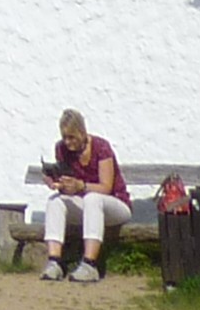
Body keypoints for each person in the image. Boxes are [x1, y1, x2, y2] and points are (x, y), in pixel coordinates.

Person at [40, 108, 132, 280]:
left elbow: (106, 187)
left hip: (115, 203)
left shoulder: (101, 147)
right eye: (65, 137)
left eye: (72, 137)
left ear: (82, 133)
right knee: (55, 202)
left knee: (93, 199)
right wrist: (56, 183)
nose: (68, 142)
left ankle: (90, 264)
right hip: (87, 205)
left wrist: (81, 186)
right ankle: (55, 262)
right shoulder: (61, 149)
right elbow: (67, 180)